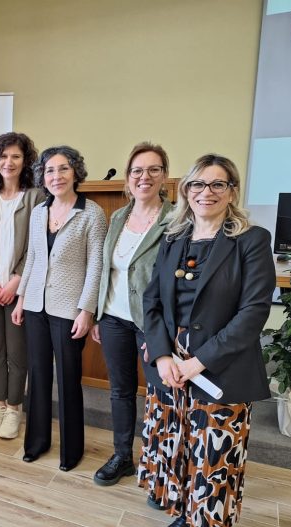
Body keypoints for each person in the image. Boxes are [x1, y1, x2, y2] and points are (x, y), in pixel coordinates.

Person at [141, 154, 275, 527]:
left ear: (232, 192)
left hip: (220, 364)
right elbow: (152, 300)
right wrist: (163, 354)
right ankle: (183, 516)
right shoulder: (173, 238)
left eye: (218, 184)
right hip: (171, 367)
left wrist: (198, 362)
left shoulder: (251, 240)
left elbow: (254, 311)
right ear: (186, 191)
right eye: (198, 184)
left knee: (216, 453)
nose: (207, 192)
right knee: (179, 445)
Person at [12, 145, 107, 471]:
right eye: (49, 170)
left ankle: (71, 452)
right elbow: (33, 258)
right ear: (42, 176)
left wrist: (87, 310)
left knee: (68, 380)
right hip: (36, 305)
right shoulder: (40, 211)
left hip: (69, 309)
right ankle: (36, 443)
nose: (56, 176)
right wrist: (21, 299)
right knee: (38, 376)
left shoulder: (91, 213)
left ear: (75, 172)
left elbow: (96, 266)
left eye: (63, 168)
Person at [90, 142, 174, 487]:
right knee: (120, 390)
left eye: (153, 169)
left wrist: (164, 332)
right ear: (127, 177)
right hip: (113, 318)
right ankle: (123, 456)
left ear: (164, 176)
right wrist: (98, 314)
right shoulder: (118, 217)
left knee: (161, 394)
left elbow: (174, 282)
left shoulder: (176, 221)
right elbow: (107, 269)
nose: (144, 177)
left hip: (151, 324)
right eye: (137, 170)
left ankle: (160, 465)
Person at [0, 132, 45, 439]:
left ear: (25, 161)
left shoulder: (36, 197)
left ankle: (14, 408)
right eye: (3, 156)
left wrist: (15, 281)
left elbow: (36, 245)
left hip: (20, 289)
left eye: (15, 156)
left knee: (17, 353)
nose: (8, 162)